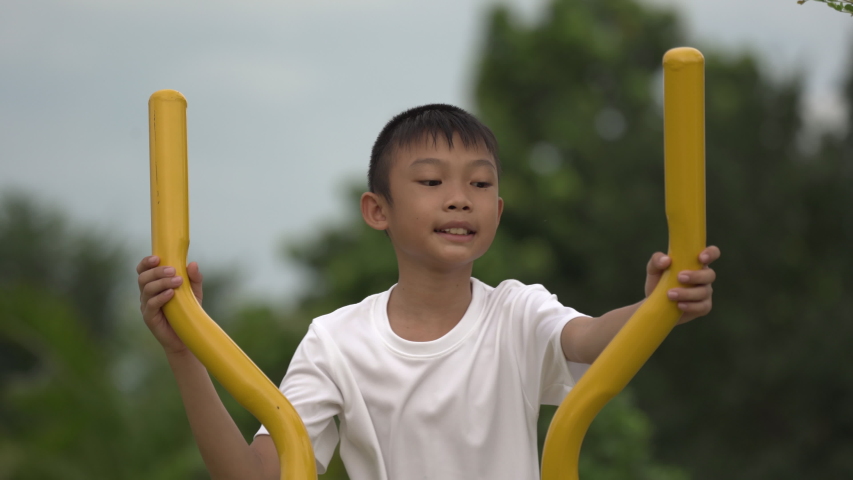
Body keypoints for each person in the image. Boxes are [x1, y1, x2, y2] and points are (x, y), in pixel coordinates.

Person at [136, 104, 720, 480]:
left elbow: (593, 340)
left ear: (498, 207)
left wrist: (657, 305)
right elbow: (258, 477)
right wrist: (184, 352)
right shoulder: (337, 342)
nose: (459, 197)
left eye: (480, 182)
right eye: (432, 181)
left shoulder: (517, 312)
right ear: (377, 210)